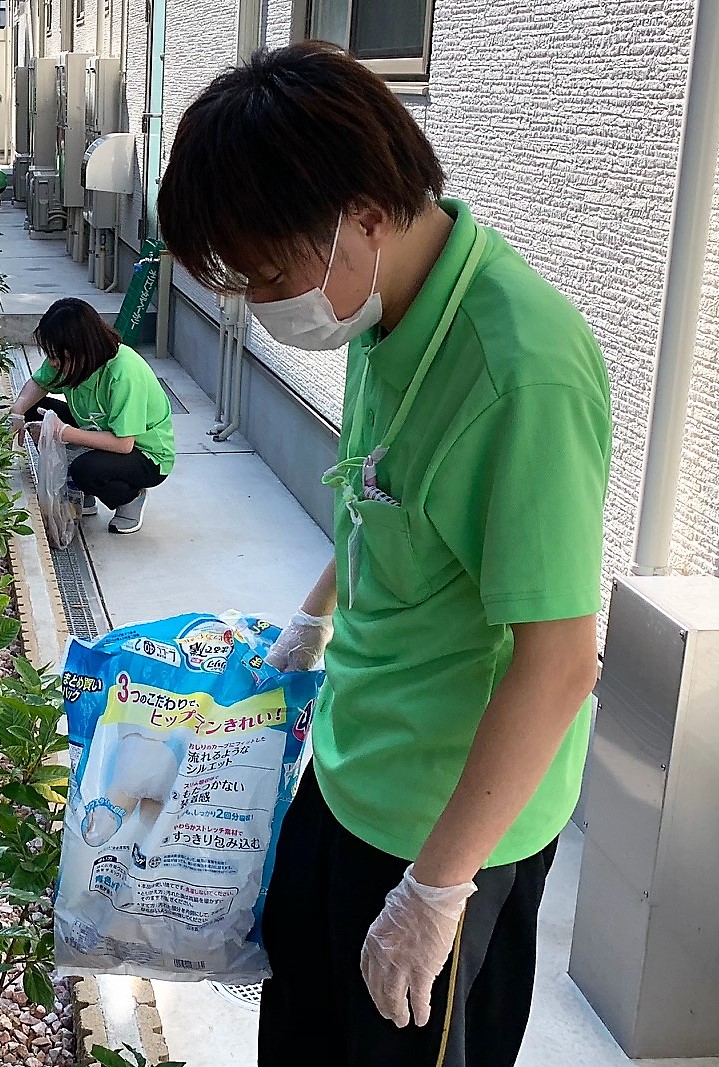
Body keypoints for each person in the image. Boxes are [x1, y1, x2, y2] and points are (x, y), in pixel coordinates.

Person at [157, 42, 612, 1067]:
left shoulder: (520, 370)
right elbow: (376, 493)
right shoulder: (385, 307)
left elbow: (558, 662)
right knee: (301, 1030)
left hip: (447, 823)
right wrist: (313, 616)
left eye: (269, 273)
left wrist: (437, 888)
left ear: (364, 213)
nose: (262, 303)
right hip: (353, 761)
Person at [8, 298, 175, 535]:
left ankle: (130, 497)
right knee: (34, 410)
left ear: (82, 349)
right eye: (50, 355)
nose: (52, 363)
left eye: (57, 356)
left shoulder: (124, 374)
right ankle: (82, 493)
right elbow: (39, 383)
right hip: (96, 429)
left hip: (145, 455)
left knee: (85, 469)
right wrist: (17, 412)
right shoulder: (69, 361)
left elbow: (123, 444)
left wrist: (64, 432)